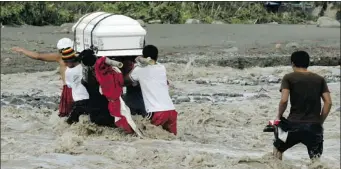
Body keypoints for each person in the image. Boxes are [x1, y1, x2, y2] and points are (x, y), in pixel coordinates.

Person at [273, 51, 332, 160]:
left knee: (277, 149)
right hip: (313, 127)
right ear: (308, 63)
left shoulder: (288, 77)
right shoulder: (319, 79)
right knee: (315, 160)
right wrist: (319, 122)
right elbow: (328, 102)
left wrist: (278, 116)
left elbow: (284, 101)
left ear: (292, 63)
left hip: (293, 126)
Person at [82, 51, 142, 136]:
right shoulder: (111, 72)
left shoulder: (91, 77)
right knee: (124, 119)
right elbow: (121, 82)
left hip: (103, 109)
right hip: (112, 107)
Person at [11, 38, 74, 117]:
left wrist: (22, 50)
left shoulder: (59, 57)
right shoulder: (78, 57)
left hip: (68, 89)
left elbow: (38, 56)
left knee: (66, 114)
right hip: (79, 88)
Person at [125, 45, 178, 135]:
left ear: (143, 56)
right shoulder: (162, 67)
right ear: (157, 56)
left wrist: (133, 67)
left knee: (149, 138)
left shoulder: (139, 70)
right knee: (171, 139)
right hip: (171, 111)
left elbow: (124, 81)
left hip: (156, 112)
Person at [79, 49, 116, 127]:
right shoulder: (105, 68)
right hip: (109, 109)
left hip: (95, 110)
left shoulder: (86, 74)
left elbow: (85, 82)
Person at [62, 47, 90, 124]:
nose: (65, 64)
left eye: (65, 61)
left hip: (78, 102)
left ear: (70, 61)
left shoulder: (68, 71)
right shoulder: (84, 67)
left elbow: (69, 85)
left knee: (70, 123)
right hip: (89, 99)